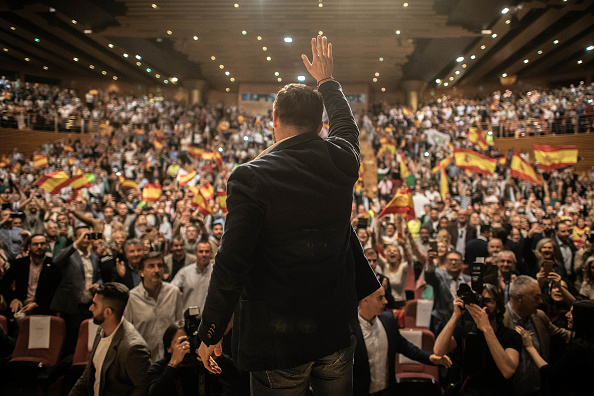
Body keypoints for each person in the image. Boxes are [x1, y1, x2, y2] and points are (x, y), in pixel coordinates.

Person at [197, 36, 379, 395]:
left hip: (278, 342)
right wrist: (327, 81)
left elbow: (231, 263)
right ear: (318, 123)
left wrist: (211, 331)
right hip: (335, 330)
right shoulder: (342, 159)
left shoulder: (250, 176)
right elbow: (347, 127)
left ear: (274, 118)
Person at [353, 286, 451, 395]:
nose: (385, 301)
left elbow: (405, 347)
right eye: (380, 298)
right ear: (365, 300)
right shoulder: (349, 329)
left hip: (387, 391)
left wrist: (430, 358)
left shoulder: (388, 320)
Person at [434, 283, 521, 396]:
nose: (483, 305)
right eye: (479, 300)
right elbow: (438, 350)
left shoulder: (511, 336)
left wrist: (487, 329)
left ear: (499, 308)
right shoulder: (466, 329)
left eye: (488, 301)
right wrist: (455, 315)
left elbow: (508, 371)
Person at [69, 282, 151, 396]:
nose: (90, 308)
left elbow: (142, 389)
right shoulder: (101, 329)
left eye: (95, 305)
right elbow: (89, 373)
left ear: (107, 312)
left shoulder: (134, 348)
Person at [502, 275, 572, 396]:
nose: (540, 302)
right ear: (520, 297)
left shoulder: (540, 316)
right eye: (537, 297)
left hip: (540, 390)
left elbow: (565, 336)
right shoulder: (501, 321)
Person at [516, 299, 594, 396]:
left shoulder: (577, 350)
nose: (567, 315)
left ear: (583, 319)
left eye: (572, 313)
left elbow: (552, 375)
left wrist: (530, 347)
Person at [147, 321, 246, 396]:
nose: (188, 346)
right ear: (168, 347)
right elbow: (154, 393)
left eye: (190, 341)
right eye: (182, 341)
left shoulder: (202, 363)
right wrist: (173, 365)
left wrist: (218, 358)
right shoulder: (159, 368)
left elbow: (235, 376)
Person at [124, 252, 183, 362]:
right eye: (151, 266)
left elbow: (179, 325)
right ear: (141, 272)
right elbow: (127, 334)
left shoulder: (173, 292)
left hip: (170, 361)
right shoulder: (131, 298)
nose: (157, 270)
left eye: (159, 266)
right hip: (144, 361)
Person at [51, 227, 102, 352]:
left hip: (89, 305)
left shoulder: (94, 257)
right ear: (75, 238)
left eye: (88, 236)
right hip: (72, 305)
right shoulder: (68, 254)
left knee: (89, 339)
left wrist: (98, 285)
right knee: (72, 342)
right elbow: (57, 261)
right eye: (82, 235)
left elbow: (98, 276)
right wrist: (76, 244)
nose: (85, 238)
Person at [0, 234, 60, 317]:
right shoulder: (19, 263)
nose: (39, 247)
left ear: (47, 246)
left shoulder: (54, 265)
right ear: (29, 247)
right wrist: (13, 299)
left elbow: (56, 290)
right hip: (20, 308)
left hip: (44, 309)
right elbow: (3, 284)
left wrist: (37, 304)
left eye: (42, 244)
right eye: (35, 244)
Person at [424, 250, 470, 335]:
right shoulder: (439, 276)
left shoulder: (468, 280)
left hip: (462, 324)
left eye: (456, 260)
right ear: (445, 263)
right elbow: (430, 277)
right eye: (450, 260)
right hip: (442, 322)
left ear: (462, 263)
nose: (453, 263)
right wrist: (430, 262)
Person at [170, 240, 213, 313]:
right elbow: (170, 291)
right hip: (188, 319)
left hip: (210, 319)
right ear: (195, 253)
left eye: (207, 251)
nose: (204, 254)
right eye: (201, 251)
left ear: (211, 253)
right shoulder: (185, 272)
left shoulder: (216, 273)